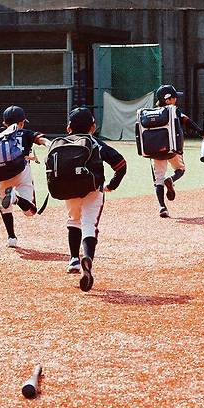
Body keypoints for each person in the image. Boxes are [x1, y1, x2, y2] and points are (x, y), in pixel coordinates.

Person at [62, 106, 127, 292]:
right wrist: (112, 185)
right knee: (89, 224)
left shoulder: (62, 143)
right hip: (93, 189)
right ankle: (87, 257)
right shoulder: (96, 143)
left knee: (73, 220)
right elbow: (121, 164)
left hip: (69, 190)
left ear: (69, 128)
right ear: (93, 127)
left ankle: (74, 259)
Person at [0, 106, 49, 247]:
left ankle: (11, 238)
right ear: (22, 122)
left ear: (4, 123)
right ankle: (15, 198)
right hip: (21, 172)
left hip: (2, 174)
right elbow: (40, 139)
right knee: (30, 211)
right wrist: (49, 144)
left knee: (4, 208)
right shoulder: (25, 132)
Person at [151, 84, 204, 218]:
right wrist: (201, 132)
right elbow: (187, 121)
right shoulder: (173, 110)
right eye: (174, 97)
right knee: (180, 170)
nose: (176, 99)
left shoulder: (152, 113)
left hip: (156, 151)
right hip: (172, 149)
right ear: (167, 100)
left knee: (158, 178)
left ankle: (162, 207)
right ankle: (171, 179)